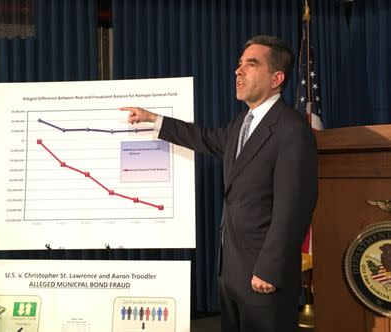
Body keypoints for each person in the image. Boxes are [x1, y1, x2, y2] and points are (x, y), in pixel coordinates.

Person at [120, 35, 318, 332]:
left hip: (265, 277)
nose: (238, 71)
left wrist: (269, 269)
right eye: (239, 64)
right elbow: (205, 138)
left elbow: (294, 208)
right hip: (232, 272)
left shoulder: (291, 130)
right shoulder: (241, 123)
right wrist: (154, 120)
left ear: (277, 78)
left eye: (251, 64)